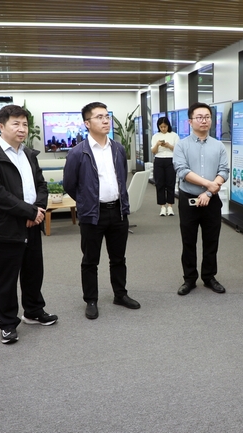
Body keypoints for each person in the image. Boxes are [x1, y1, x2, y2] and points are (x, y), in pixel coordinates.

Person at [0, 104, 58, 345]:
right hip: (6, 226)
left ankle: (33, 311)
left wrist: (38, 210)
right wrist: (29, 211)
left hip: (32, 222)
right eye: (16, 124)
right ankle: (8, 323)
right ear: (1, 126)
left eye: (24, 124)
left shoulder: (28, 153)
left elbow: (41, 185)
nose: (22, 129)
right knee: (7, 278)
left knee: (33, 272)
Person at [63, 102, 140, 319]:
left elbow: (122, 177)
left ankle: (120, 294)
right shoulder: (78, 153)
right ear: (87, 123)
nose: (105, 120)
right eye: (99, 117)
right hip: (92, 214)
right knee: (90, 260)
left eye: (107, 116)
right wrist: (86, 202)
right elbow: (69, 184)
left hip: (118, 211)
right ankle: (91, 300)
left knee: (118, 258)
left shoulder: (118, 148)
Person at [173, 102, 230, 296]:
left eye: (207, 117)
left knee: (211, 241)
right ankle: (189, 279)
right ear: (190, 121)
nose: (204, 120)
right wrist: (209, 185)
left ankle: (209, 277)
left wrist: (208, 193)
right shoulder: (182, 145)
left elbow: (224, 171)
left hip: (211, 201)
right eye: (199, 117)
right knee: (188, 241)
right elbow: (182, 171)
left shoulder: (218, 145)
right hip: (188, 200)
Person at [151, 116, 179, 216]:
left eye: (165, 126)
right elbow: (153, 151)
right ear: (158, 127)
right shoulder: (155, 136)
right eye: (161, 127)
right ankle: (162, 206)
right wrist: (157, 144)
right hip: (159, 160)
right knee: (160, 184)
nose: (163, 128)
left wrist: (168, 146)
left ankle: (170, 206)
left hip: (170, 160)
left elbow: (178, 150)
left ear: (168, 126)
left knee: (170, 183)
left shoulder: (174, 135)